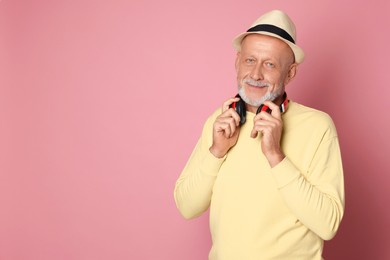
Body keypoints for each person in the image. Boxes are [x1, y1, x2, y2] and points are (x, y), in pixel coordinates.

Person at [174, 10, 344, 260]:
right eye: (250, 60)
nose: (255, 75)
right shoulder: (220, 121)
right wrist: (217, 152)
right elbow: (186, 207)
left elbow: (327, 225)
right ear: (237, 62)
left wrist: (276, 155)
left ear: (290, 73)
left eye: (270, 64)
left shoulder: (318, 126)